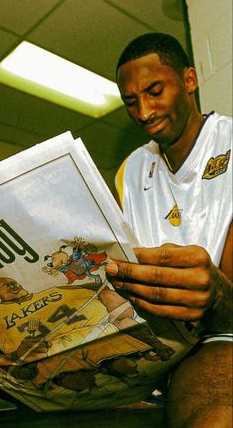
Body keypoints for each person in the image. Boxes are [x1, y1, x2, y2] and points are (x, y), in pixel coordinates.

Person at [105, 33, 232, 428]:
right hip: (148, 342)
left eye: (154, 91)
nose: (143, 112)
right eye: (131, 102)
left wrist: (217, 298)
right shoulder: (130, 170)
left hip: (219, 337)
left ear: (190, 80)